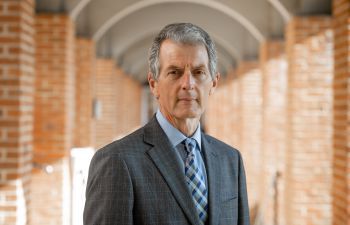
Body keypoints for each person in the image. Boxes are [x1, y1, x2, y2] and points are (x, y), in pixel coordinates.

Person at [83, 22, 250, 225]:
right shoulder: (116, 161)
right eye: (175, 72)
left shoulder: (230, 160)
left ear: (213, 83)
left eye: (199, 72)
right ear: (154, 85)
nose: (188, 84)